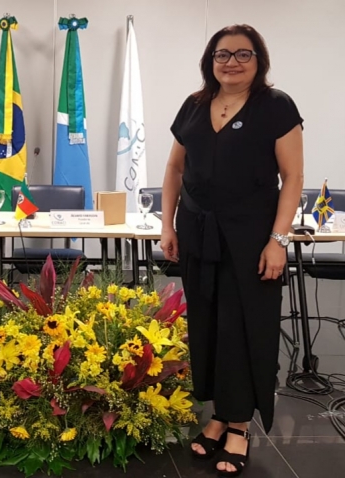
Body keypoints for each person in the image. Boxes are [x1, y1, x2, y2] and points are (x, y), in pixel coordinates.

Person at [160, 25, 303, 477]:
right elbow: (173, 167)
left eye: (243, 54)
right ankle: (220, 414)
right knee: (209, 324)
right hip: (198, 232)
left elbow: (293, 178)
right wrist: (167, 224)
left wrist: (278, 241)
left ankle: (240, 423)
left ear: (259, 60)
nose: (232, 62)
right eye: (223, 54)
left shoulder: (276, 107)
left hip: (252, 237)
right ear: (210, 61)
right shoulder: (195, 105)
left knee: (246, 326)